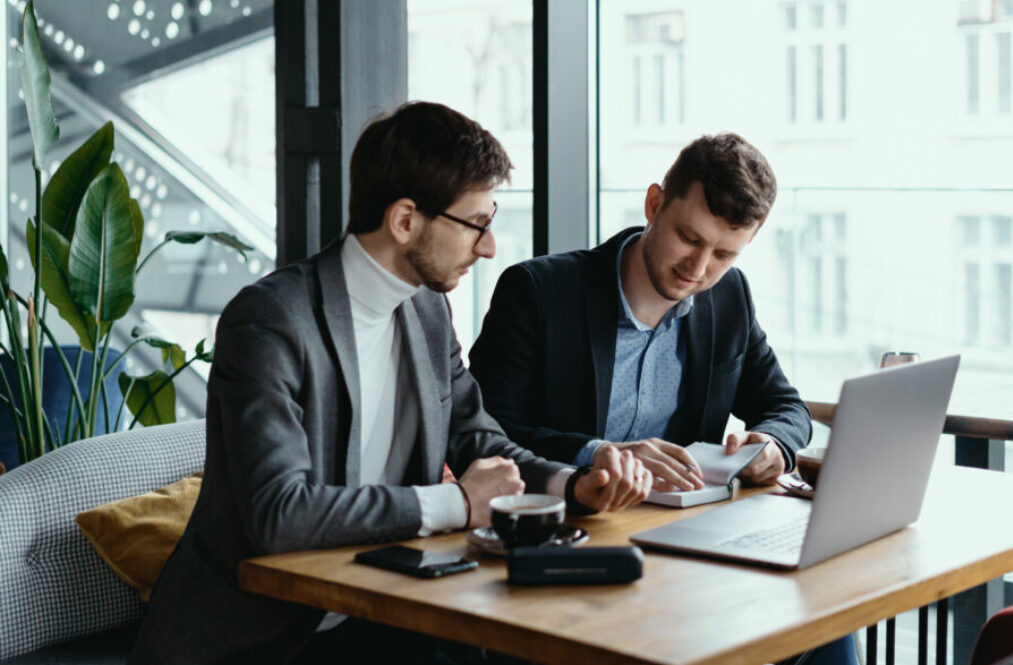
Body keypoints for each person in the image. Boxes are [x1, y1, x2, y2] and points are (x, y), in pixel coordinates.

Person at [130, 101, 652, 665]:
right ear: (405, 221)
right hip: (251, 639)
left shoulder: (426, 309)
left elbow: (478, 438)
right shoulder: (270, 320)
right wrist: (457, 502)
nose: (489, 246)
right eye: (476, 223)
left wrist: (572, 486)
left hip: (383, 614)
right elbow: (280, 516)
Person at [468, 133, 857, 665]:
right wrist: (596, 451)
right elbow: (486, 435)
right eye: (688, 238)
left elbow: (787, 408)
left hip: (682, 547)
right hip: (576, 550)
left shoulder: (728, 297)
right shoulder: (538, 293)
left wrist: (772, 445)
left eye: (723, 253)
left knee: (824, 611)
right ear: (654, 205)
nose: (699, 268)